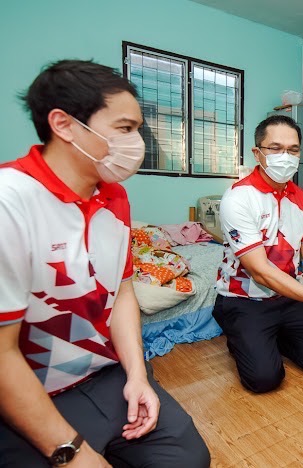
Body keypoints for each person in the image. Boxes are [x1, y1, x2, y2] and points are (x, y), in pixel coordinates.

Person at [0, 60, 210, 467]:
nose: (137, 142)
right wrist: (71, 452)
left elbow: (123, 291)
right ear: (63, 124)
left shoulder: (115, 197)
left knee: (188, 459)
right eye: (125, 128)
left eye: (137, 129)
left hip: (106, 374)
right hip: (28, 391)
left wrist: (138, 375)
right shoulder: (10, 201)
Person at [214, 115, 303, 394]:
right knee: (264, 379)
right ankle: (241, 338)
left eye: (293, 150)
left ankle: (267, 338)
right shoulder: (239, 198)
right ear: (257, 152)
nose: (285, 156)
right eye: (275, 148)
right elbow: (260, 272)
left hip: (288, 295)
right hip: (245, 299)